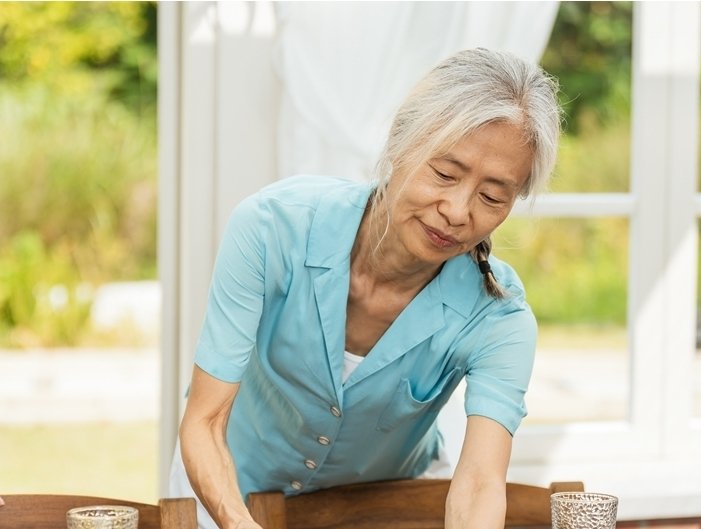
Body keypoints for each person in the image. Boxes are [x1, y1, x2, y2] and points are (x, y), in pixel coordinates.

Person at [169, 47, 561, 529]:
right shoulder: (273, 228)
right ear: (400, 142)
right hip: (227, 494)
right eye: (444, 174)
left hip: (382, 511)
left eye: (491, 196)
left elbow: (481, 483)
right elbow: (205, 420)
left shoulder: (500, 317)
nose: (459, 211)